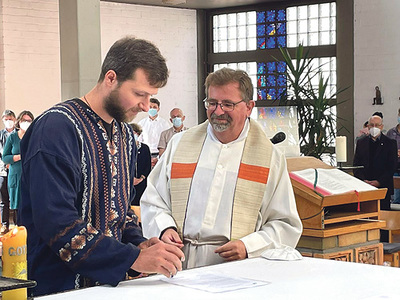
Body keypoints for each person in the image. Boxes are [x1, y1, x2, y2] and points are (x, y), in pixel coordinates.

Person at [19, 37, 184, 297]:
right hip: (58, 288)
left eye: (151, 96)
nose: (145, 105)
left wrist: (140, 245)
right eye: (139, 93)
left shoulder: (125, 135)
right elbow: (56, 222)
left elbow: (120, 211)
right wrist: (131, 258)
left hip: (110, 288)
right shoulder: (56, 128)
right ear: (110, 78)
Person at [141, 68, 302, 269]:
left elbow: (285, 223)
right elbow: (153, 199)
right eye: (212, 103)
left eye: (228, 104)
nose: (218, 111)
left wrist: (248, 246)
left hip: (238, 267)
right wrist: (164, 228)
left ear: (249, 107)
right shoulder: (180, 144)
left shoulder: (270, 157)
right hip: (179, 261)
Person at [353, 115, 397, 210]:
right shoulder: (361, 142)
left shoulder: (390, 143)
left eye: (377, 125)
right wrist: (363, 181)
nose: (374, 127)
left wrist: (379, 182)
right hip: (365, 187)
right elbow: (356, 165)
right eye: (372, 125)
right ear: (368, 126)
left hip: (383, 187)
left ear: (381, 126)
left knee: (383, 216)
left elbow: (392, 166)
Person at [2, 110, 34, 226]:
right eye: (24, 120)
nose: (26, 123)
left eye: (29, 121)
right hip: (15, 176)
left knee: (30, 205)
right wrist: (18, 157)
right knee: (16, 206)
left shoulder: (33, 137)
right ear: (19, 122)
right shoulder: (13, 138)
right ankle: (17, 232)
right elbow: (5, 157)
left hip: (30, 176)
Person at [138, 98, 169, 166]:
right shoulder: (141, 123)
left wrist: (158, 157)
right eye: (150, 107)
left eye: (154, 107)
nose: (152, 109)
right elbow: (139, 142)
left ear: (158, 109)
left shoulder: (164, 124)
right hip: (145, 155)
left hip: (160, 155)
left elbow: (168, 142)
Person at [0, 109, 16, 233]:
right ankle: (5, 225)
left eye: (10, 119)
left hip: (16, 171)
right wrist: (5, 163)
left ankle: (17, 224)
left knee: (15, 199)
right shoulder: (1, 135)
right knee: (4, 200)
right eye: (6, 120)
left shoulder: (18, 134)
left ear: (15, 120)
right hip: (3, 172)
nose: (8, 122)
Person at [130, 123, 151, 206]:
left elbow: (147, 166)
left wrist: (141, 178)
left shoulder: (145, 148)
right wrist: (131, 179)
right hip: (128, 183)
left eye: (134, 133)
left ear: (138, 134)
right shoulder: (123, 149)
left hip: (142, 182)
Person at [387, 108, 400, 204]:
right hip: (394, 167)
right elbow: (385, 150)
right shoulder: (391, 132)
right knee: (396, 198)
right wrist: (394, 152)